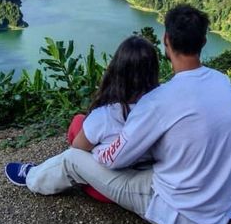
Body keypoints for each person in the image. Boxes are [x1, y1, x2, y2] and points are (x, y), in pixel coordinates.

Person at [5, 5, 231, 224]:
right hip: (221, 200)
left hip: (182, 210)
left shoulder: (159, 101)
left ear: (167, 41)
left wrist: (97, 150)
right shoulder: (223, 83)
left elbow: (114, 160)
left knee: (72, 158)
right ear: (203, 41)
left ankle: (33, 178)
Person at [58, 35, 159, 202]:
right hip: (146, 177)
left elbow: (77, 148)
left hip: (104, 189)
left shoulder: (106, 115)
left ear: (116, 71)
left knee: (78, 122)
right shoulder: (162, 106)